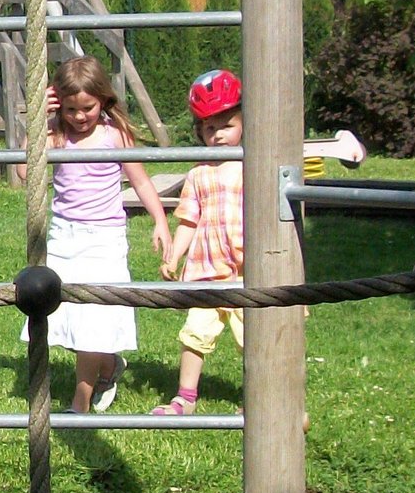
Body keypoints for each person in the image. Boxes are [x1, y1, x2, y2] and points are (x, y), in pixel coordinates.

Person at [18, 57, 171, 412]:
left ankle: (80, 402)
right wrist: (38, 120)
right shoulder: (56, 135)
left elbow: (141, 180)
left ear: (103, 99)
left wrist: (161, 221)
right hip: (64, 237)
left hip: (104, 238)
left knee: (93, 319)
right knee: (64, 317)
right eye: (70, 109)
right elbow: (25, 173)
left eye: (87, 107)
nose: (79, 116)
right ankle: (107, 365)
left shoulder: (113, 134)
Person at [154, 70, 246, 415]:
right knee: (194, 335)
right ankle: (185, 398)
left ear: (243, 123)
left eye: (227, 125)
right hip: (208, 270)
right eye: (210, 128)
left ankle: (261, 397)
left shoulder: (254, 167)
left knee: (253, 341)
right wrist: (174, 256)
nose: (219, 134)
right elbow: (189, 220)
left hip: (245, 271)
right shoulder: (198, 173)